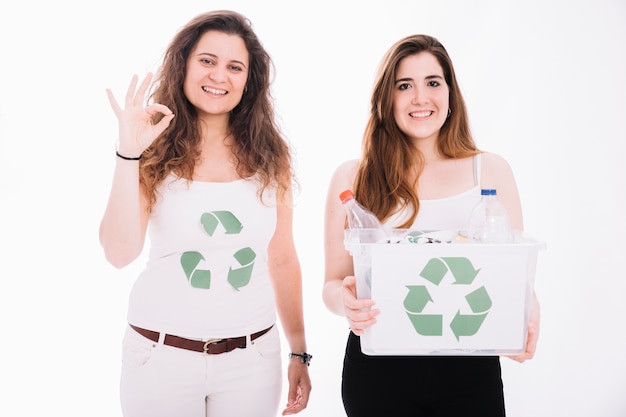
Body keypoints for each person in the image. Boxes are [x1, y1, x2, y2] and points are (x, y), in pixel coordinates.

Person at [99, 10, 311, 417]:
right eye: (207, 61)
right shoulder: (151, 149)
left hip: (252, 359)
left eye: (235, 67)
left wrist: (300, 352)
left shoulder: (271, 156)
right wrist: (129, 152)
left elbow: (282, 257)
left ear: (249, 80)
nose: (219, 76)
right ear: (184, 64)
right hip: (161, 358)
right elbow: (117, 252)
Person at [323, 34, 540, 416]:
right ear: (385, 98)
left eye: (433, 83)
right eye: (404, 85)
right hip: (378, 366)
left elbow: (513, 270)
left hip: (468, 361)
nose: (420, 98)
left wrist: (528, 311)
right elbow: (331, 284)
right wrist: (344, 301)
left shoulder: (488, 170)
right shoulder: (354, 178)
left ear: (451, 94)